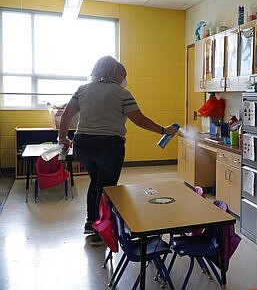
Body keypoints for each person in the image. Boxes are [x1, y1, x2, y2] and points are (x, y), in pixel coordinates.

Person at [58, 56, 178, 245]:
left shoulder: (82, 90)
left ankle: (91, 222)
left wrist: (62, 137)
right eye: (122, 74)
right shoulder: (121, 93)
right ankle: (101, 230)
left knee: (96, 181)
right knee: (108, 188)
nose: (124, 78)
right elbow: (139, 120)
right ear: (115, 73)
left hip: (83, 144)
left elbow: (66, 115)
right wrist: (164, 130)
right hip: (108, 146)